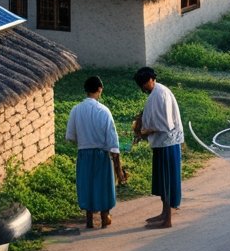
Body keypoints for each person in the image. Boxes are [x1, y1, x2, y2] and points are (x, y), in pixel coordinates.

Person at [64, 76, 124, 229]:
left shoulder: (76, 110)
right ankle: (105, 217)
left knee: (87, 185)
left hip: (84, 154)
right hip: (101, 154)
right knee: (103, 185)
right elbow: (112, 140)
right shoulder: (104, 111)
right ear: (99, 89)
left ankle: (89, 219)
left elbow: (71, 136)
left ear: (85, 90)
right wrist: (118, 166)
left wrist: (84, 141)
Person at [133, 66, 183, 228]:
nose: (142, 89)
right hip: (161, 143)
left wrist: (145, 131)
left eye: (143, 85)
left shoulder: (160, 94)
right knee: (162, 179)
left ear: (150, 80)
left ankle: (167, 219)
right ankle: (163, 213)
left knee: (167, 180)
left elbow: (165, 124)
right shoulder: (155, 93)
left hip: (167, 143)